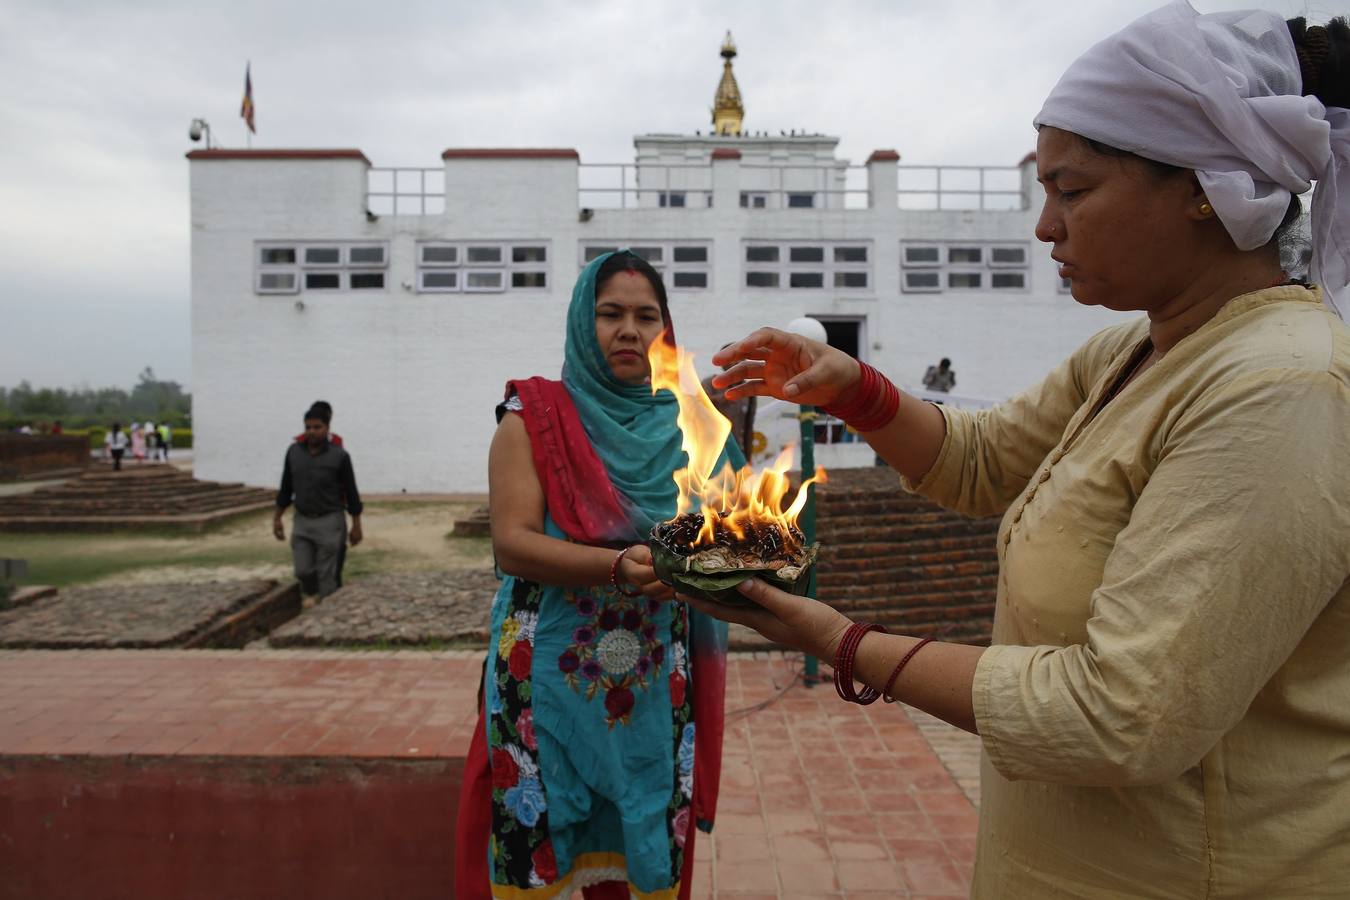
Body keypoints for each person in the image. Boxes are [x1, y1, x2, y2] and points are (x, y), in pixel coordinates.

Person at [703, 6, 1350, 896]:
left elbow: (1121, 714)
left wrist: (843, 642)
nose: (1046, 227)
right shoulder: (1141, 350)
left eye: (1073, 191)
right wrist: (852, 388)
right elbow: (981, 460)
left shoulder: (1279, 388)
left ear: (1206, 187)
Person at [454, 250, 745, 899]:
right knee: (544, 832)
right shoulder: (532, 416)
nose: (629, 331)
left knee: (640, 829)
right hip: (548, 671)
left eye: (647, 317)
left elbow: (737, 530)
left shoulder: (692, 424)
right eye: (610, 314)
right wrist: (616, 566)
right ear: (582, 324)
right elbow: (513, 545)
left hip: (652, 681)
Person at [273, 402, 363, 599]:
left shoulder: (339, 455)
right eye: (308, 427)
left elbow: (351, 492)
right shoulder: (293, 452)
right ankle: (317, 597)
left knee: (327, 576)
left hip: (330, 521)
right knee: (302, 571)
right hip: (302, 522)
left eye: (317, 427)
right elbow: (286, 487)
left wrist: (356, 525)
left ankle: (327, 615)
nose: (311, 432)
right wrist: (277, 518)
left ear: (327, 427)